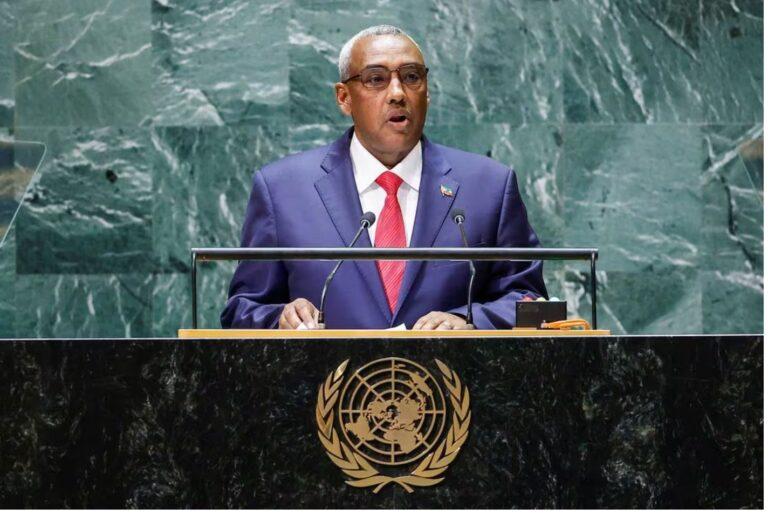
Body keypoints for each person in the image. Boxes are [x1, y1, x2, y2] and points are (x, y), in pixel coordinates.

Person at [221, 25, 546, 330]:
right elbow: (242, 309)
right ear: (343, 98)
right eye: (376, 79)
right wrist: (281, 318)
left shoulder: (488, 187)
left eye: (411, 77)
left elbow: (531, 302)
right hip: (328, 387)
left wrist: (469, 321)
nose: (397, 93)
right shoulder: (282, 190)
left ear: (427, 92)